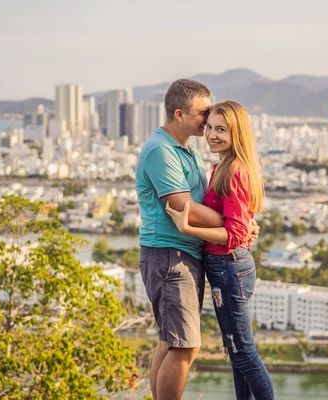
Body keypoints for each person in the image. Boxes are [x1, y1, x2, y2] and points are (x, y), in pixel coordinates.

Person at [135, 79, 259, 400]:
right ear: (180, 114)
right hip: (169, 254)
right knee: (185, 346)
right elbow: (181, 205)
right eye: (202, 113)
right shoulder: (161, 150)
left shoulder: (185, 150)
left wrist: (240, 223)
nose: (208, 121)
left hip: (180, 253)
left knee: (170, 341)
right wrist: (236, 224)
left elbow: (206, 203)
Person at [166, 100, 275, 399]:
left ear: (236, 133)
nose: (212, 134)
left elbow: (235, 232)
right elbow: (240, 222)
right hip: (225, 267)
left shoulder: (234, 171)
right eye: (210, 127)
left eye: (221, 130)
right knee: (235, 350)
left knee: (243, 353)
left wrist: (188, 228)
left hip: (229, 268)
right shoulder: (222, 167)